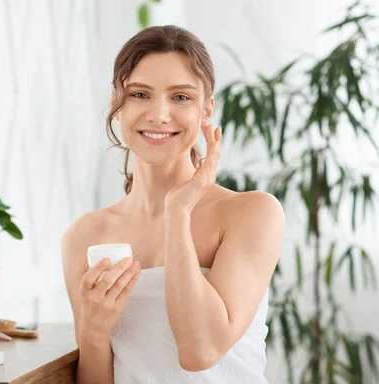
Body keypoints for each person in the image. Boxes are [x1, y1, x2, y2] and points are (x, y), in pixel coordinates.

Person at [61, 25, 284, 383]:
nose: (159, 115)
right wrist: (93, 335)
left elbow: (200, 351)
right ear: (118, 104)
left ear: (206, 109)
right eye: (139, 94)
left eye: (180, 97)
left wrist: (177, 214)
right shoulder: (84, 236)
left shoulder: (252, 213)